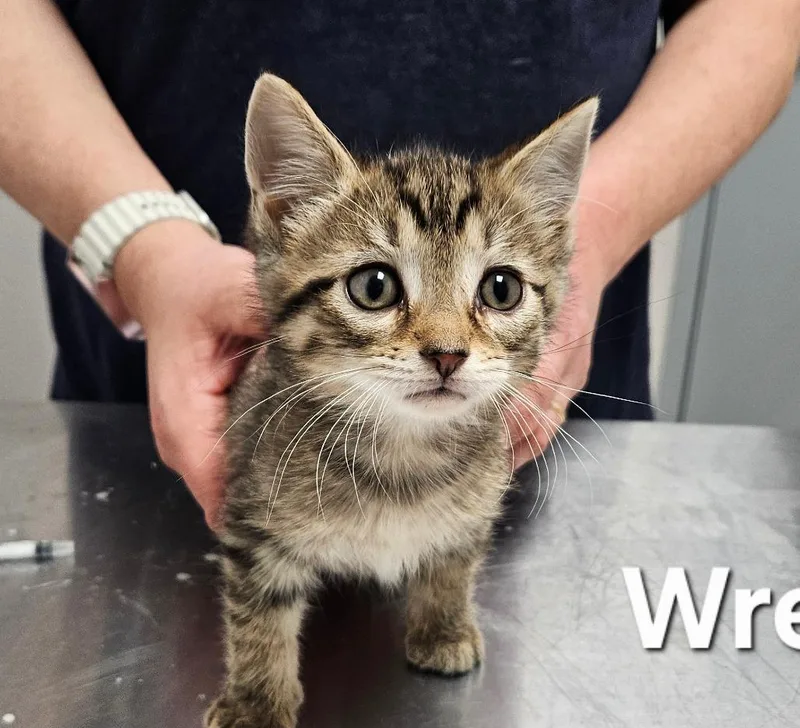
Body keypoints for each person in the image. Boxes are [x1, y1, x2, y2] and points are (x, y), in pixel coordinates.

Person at [1, 1, 798, 528]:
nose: (444, 343)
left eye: (495, 291)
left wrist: (575, 233)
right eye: (379, 286)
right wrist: (144, 246)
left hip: (544, 427)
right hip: (158, 411)